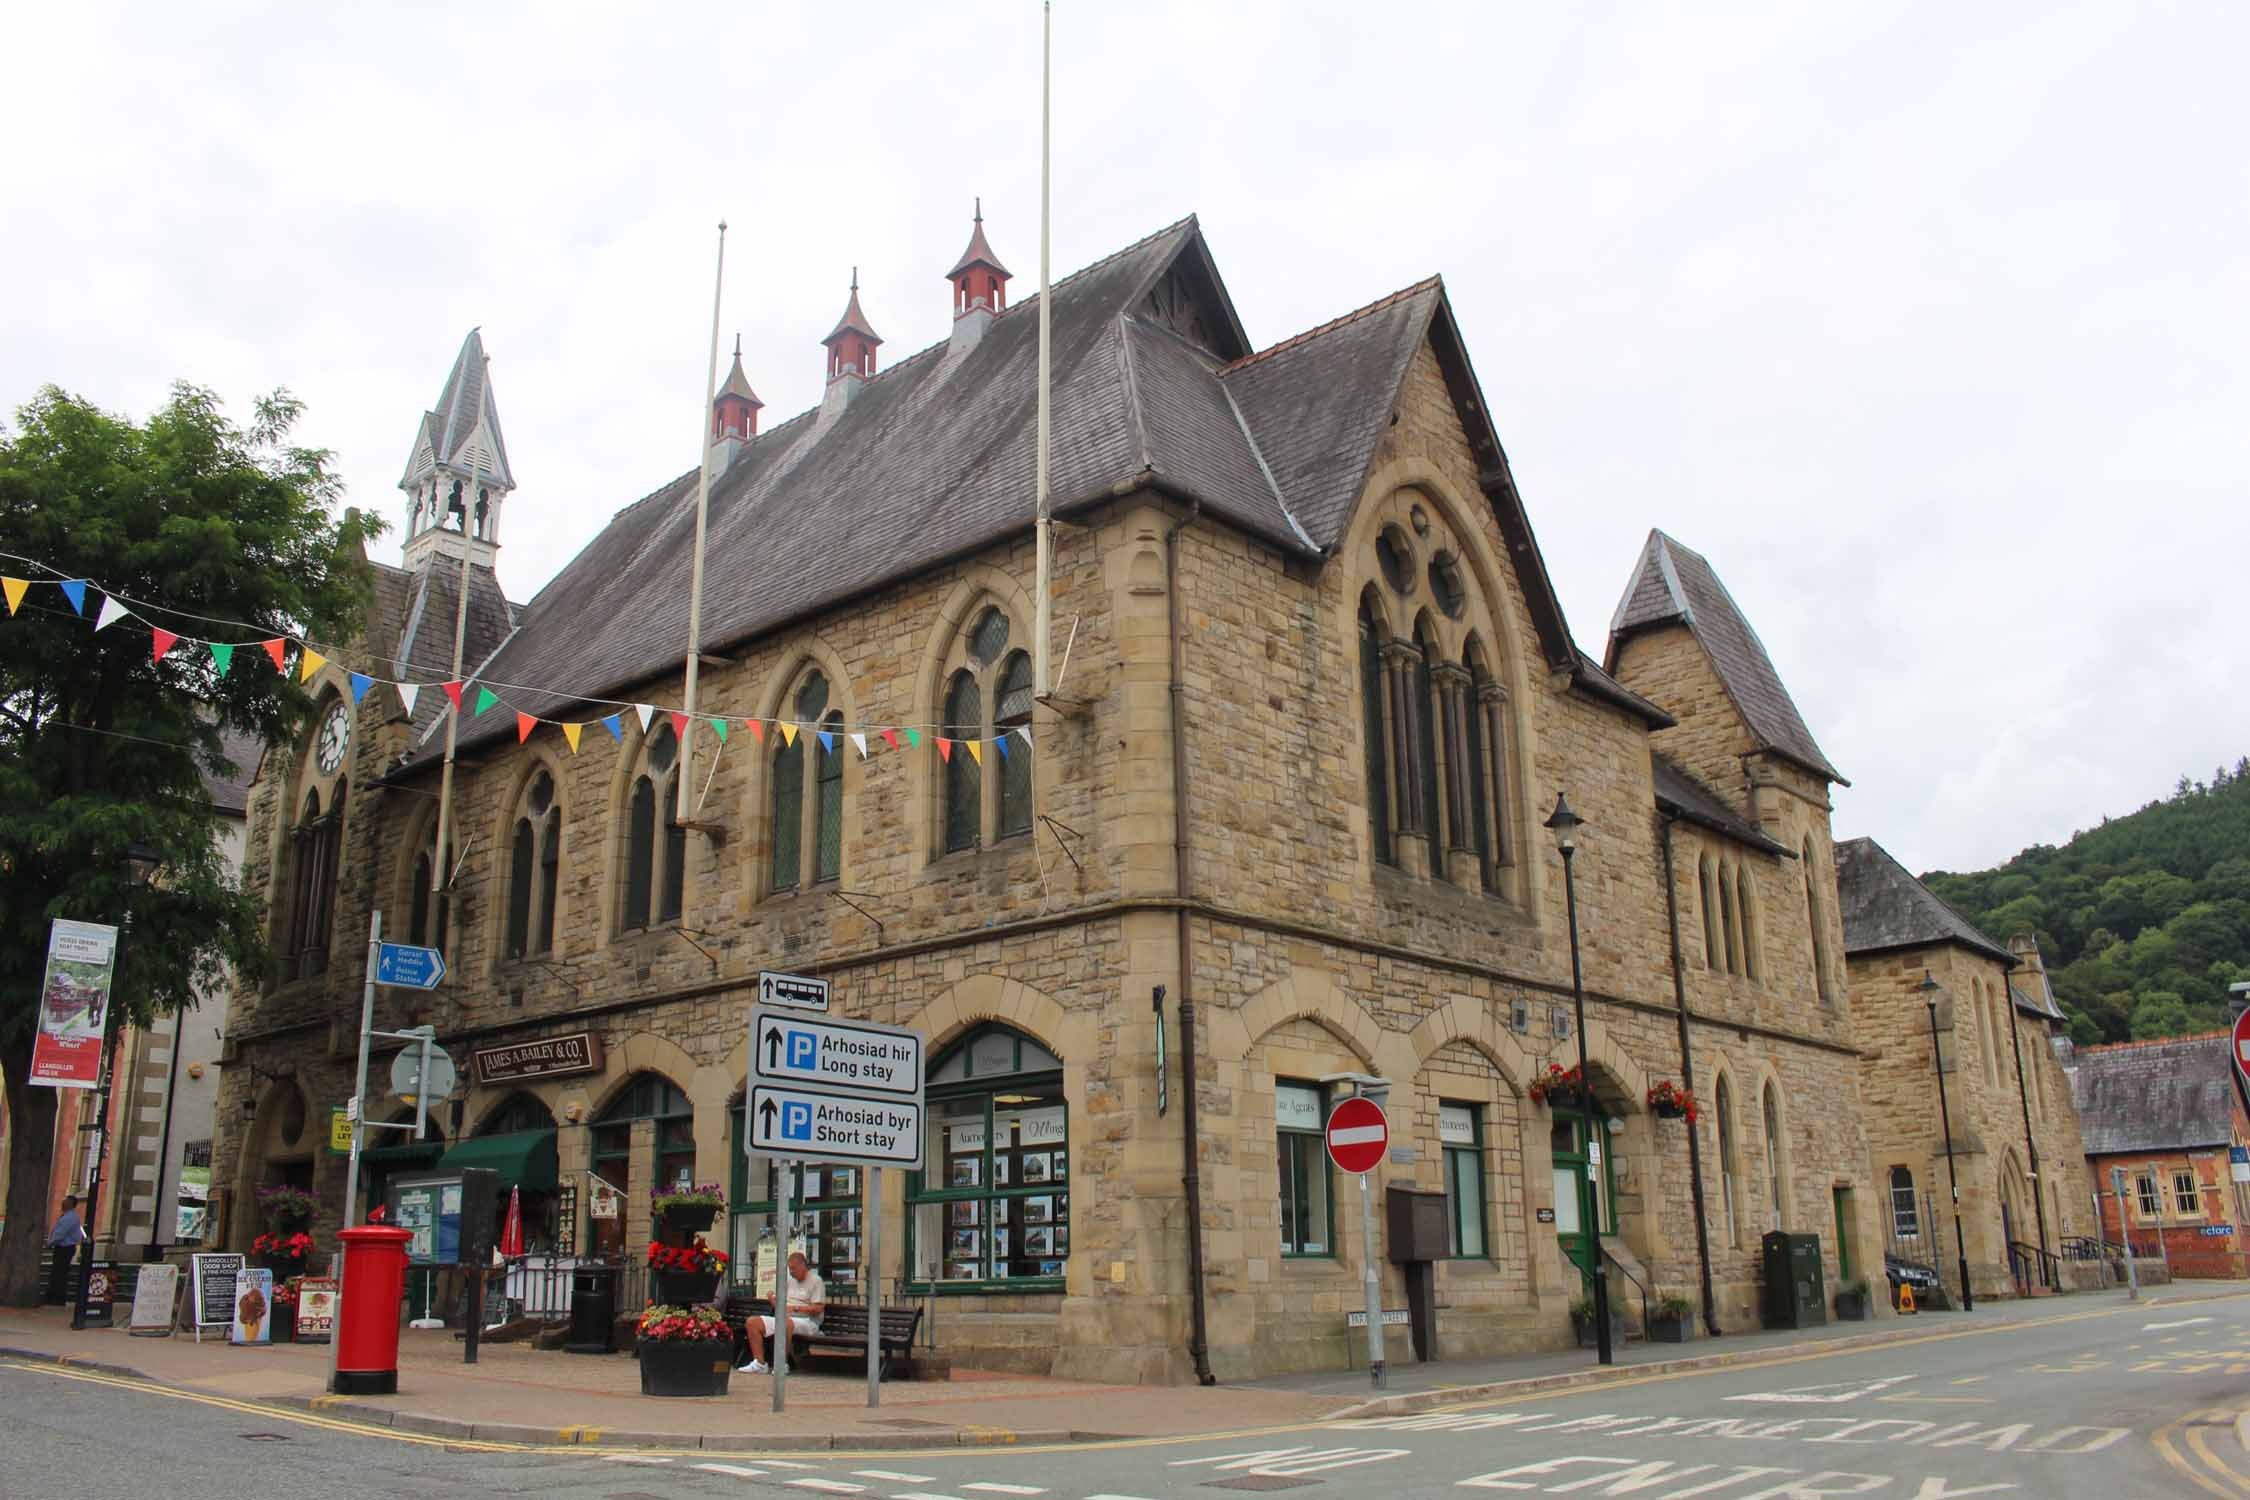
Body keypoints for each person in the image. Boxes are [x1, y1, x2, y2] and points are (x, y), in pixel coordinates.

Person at [739, 1250, 824, 1374]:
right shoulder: (790, 1281)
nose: (791, 1272)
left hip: (808, 1322)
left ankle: (781, 1364)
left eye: (793, 1268)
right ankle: (759, 1363)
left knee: (785, 1323)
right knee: (752, 1322)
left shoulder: (816, 1281)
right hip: (785, 1317)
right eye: (790, 1269)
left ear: (803, 1266)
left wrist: (796, 1308)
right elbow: (780, 1306)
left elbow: (818, 1309)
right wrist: (773, 1299)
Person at [44, 1194, 87, 1305]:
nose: (62, 1204)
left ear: (71, 1204)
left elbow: (60, 1234)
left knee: (59, 1274)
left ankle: (56, 1298)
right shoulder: (68, 1216)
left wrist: (50, 1243)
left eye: (65, 1202)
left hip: (65, 1248)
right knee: (58, 1273)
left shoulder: (70, 1218)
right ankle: (54, 1297)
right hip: (64, 1248)